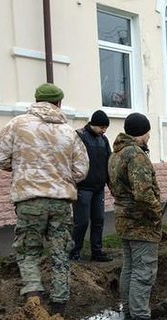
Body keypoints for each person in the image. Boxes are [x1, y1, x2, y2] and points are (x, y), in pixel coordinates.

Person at [0, 83, 89, 316]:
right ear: (59, 103)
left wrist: (22, 168)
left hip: (30, 200)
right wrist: (61, 176)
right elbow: (81, 170)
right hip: (61, 202)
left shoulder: (17, 125)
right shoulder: (68, 132)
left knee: (28, 251)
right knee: (60, 252)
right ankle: (59, 307)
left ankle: (34, 301)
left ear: (36, 100)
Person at [108, 112, 161, 320]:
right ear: (142, 133)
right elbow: (143, 193)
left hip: (123, 219)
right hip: (141, 223)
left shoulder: (116, 154)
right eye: (148, 132)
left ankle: (129, 314)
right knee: (144, 273)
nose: (149, 137)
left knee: (129, 268)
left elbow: (113, 186)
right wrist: (156, 214)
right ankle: (140, 315)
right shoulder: (135, 155)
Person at [70, 110, 113, 262]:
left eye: (105, 128)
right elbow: (72, 160)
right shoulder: (79, 136)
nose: (104, 130)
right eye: (101, 127)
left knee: (99, 219)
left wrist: (110, 183)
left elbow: (109, 162)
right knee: (81, 222)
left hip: (98, 188)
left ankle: (97, 251)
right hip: (83, 187)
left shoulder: (104, 140)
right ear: (93, 124)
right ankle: (74, 251)